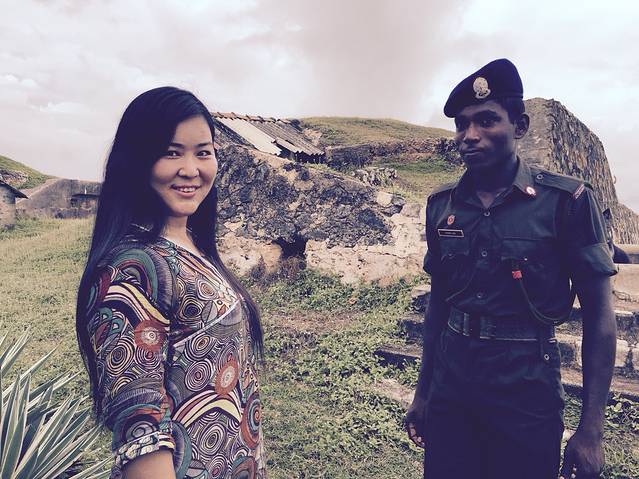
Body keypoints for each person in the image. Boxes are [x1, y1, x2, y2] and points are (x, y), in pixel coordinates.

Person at [404, 59, 617, 479]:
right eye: (462, 125)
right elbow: (439, 307)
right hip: (453, 385)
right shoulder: (442, 206)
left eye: (486, 120)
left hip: (527, 388)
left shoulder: (566, 202)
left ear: (519, 127)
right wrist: (423, 393)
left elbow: (599, 316)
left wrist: (592, 429)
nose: (470, 135)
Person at [75, 87, 266, 479]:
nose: (191, 169)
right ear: (137, 160)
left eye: (203, 152)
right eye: (171, 152)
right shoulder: (133, 269)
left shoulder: (190, 243)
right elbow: (142, 431)